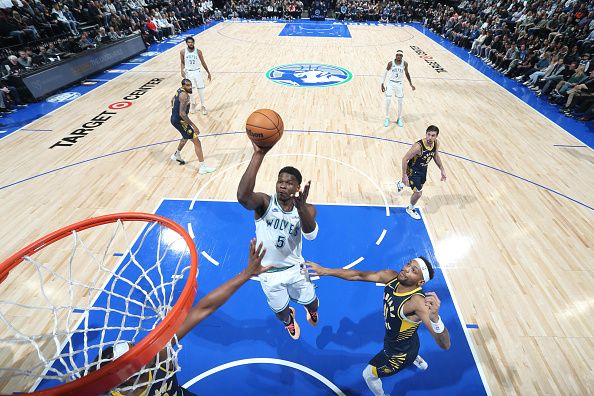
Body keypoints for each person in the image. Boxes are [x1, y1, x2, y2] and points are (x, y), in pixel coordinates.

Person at [94, 239, 270, 396]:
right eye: (135, 356)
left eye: (135, 350)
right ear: (123, 379)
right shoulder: (113, 390)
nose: (140, 352)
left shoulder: (157, 359)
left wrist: (246, 274)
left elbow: (203, 308)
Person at [306, 258, 451, 396]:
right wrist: (325, 271)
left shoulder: (417, 303)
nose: (406, 269)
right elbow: (358, 275)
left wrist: (435, 319)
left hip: (398, 355)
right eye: (408, 264)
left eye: (413, 270)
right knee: (407, 342)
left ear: (420, 282)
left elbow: (445, 344)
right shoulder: (391, 277)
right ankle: (415, 358)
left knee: (368, 375)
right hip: (410, 342)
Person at [236, 143, 320, 340]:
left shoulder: (308, 209)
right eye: (280, 181)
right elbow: (242, 197)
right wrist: (258, 154)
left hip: (295, 269)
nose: (283, 185)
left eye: (289, 183)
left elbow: (311, 235)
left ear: (298, 187)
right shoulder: (264, 202)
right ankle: (290, 320)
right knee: (281, 313)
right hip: (268, 273)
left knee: (312, 303)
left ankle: (311, 311)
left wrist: (301, 209)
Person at [396, 125, 446, 220]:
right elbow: (405, 159)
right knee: (418, 193)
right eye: (428, 134)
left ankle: (402, 184)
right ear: (426, 134)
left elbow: (435, 156)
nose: (430, 138)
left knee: (417, 186)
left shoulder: (436, 143)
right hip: (413, 170)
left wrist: (442, 169)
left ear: (436, 136)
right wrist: (404, 175)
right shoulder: (418, 147)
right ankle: (410, 208)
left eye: (433, 135)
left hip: (423, 169)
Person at [169, 78, 216, 174]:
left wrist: (174, 110)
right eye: (187, 85)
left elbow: (172, 100)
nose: (190, 87)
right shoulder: (184, 96)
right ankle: (203, 167)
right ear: (183, 86)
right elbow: (182, 113)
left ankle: (176, 155)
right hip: (180, 121)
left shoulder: (179, 90)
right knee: (197, 141)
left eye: (190, 85)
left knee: (185, 136)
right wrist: (193, 125)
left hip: (175, 119)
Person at [381, 49, 415, 128]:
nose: (399, 56)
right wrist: (382, 83)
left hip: (399, 84)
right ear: (396, 55)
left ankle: (399, 118)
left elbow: (407, 73)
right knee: (388, 100)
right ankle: (387, 118)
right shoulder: (391, 63)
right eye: (398, 55)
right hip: (391, 83)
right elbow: (385, 73)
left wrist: (411, 84)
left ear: (402, 56)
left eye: (400, 55)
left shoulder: (405, 63)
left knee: (400, 102)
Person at [180, 36, 212, 115]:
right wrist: (182, 70)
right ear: (186, 43)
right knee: (190, 89)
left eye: (191, 42)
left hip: (197, 71)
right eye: (189, 42)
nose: (190, 43)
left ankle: (203, 106)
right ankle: (193, 104)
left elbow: (203, 62)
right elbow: (182, 62)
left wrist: (208, 72)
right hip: (189, 72)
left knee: (200, 89)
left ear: (194, 42)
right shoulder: (182, 52)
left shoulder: (198, 52)